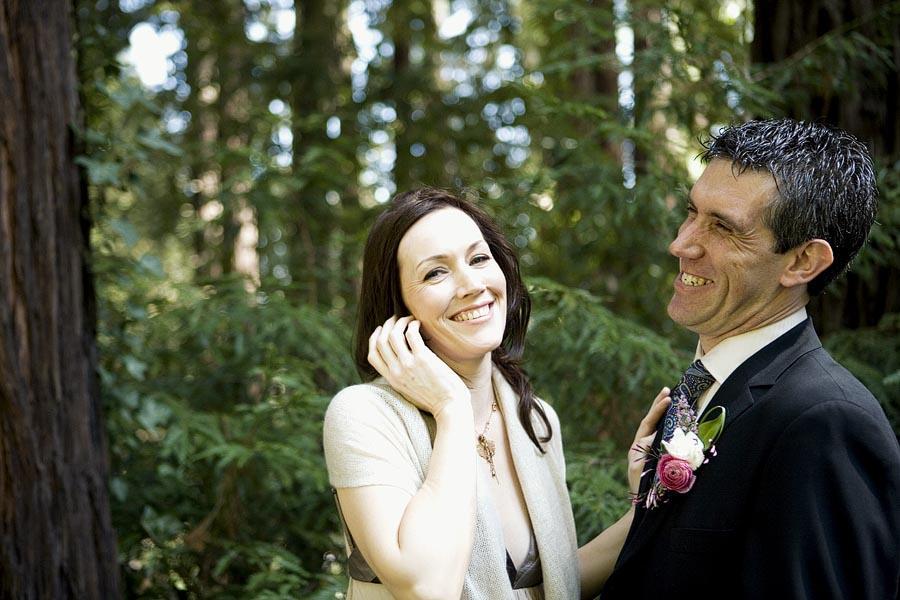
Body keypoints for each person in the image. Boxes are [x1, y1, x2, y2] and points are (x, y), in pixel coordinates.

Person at [602, 118, 900, 599]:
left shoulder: (824, 421)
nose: (681, 244)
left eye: (723, 227)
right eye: (692, 212)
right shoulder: (705, 388)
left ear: (802, 262)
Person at [323, 188, 669, 599]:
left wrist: (647, 503)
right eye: (436, 272)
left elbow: (554, 583)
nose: (472, 284)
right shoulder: (365, 415)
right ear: (398, 306)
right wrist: (451, 410)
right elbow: (426, 587)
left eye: (478, 258)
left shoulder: (535, 421)